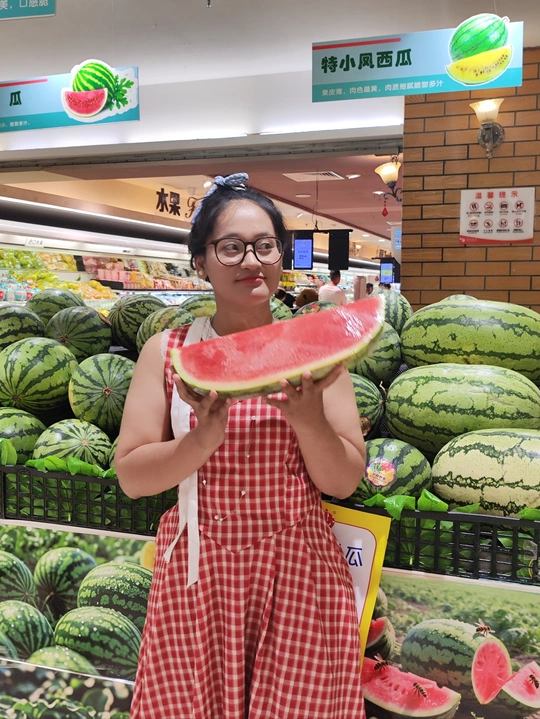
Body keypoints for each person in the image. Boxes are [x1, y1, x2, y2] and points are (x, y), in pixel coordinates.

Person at [115, 173, 366, 719]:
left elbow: (344, 481)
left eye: (265, 246)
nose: (251, 261)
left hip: (299, 569)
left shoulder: (317, 349)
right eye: (230, 248)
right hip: (197, 571)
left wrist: (310, 422)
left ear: (281, 257)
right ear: (200, 262)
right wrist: (201, 438)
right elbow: (132, 477)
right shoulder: (166, 351)